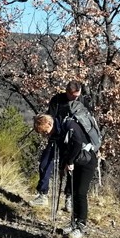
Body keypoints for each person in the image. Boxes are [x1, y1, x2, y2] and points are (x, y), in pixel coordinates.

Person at [33, 112, 98, 238]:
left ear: (49, 123)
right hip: (74, 162)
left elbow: (78, 143)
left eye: (45, 131)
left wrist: (70, 162)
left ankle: (81, 226)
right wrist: (63, 165)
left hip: (86, 161)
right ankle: (74, 222)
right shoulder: (58, 131)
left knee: (80, 192)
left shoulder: (69, 125)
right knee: (73, 192)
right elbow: (64, 150)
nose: (46, 135)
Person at [29, 80, 84, 208]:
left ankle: (69, 198)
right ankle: (43, 195)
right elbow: (50, 119)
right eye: (74, 96)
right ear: (67, 92)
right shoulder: (57, 100)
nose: (76, 98)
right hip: (56, 136)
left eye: (78, 95)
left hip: (73, 140)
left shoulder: (82, 100)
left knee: (70, 167)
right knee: (45, 163)